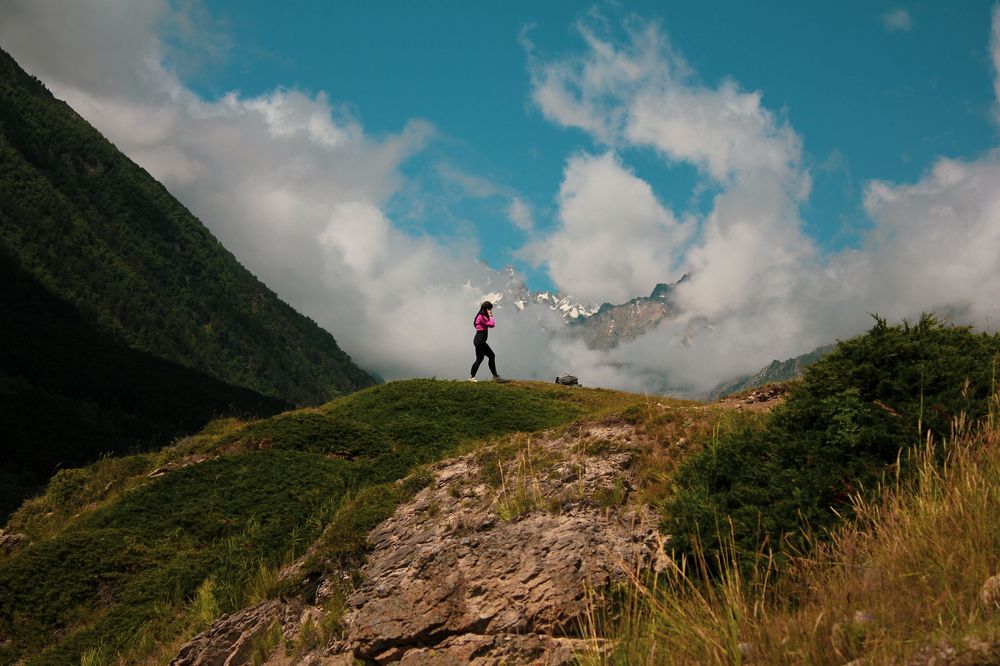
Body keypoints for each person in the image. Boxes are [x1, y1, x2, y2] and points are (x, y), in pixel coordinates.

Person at [469, 301, 508, 383]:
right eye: (490, 309)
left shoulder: (482, 316)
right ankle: (495, 377)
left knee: (479, 359)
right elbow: (492, 324)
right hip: (480, 341)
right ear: (487, 309)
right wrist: (490, 315)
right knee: (492, 355)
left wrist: (489, 316)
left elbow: (489, 324)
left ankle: (472, 377)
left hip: (478, 340)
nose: (491, 310)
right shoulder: (481, 317)